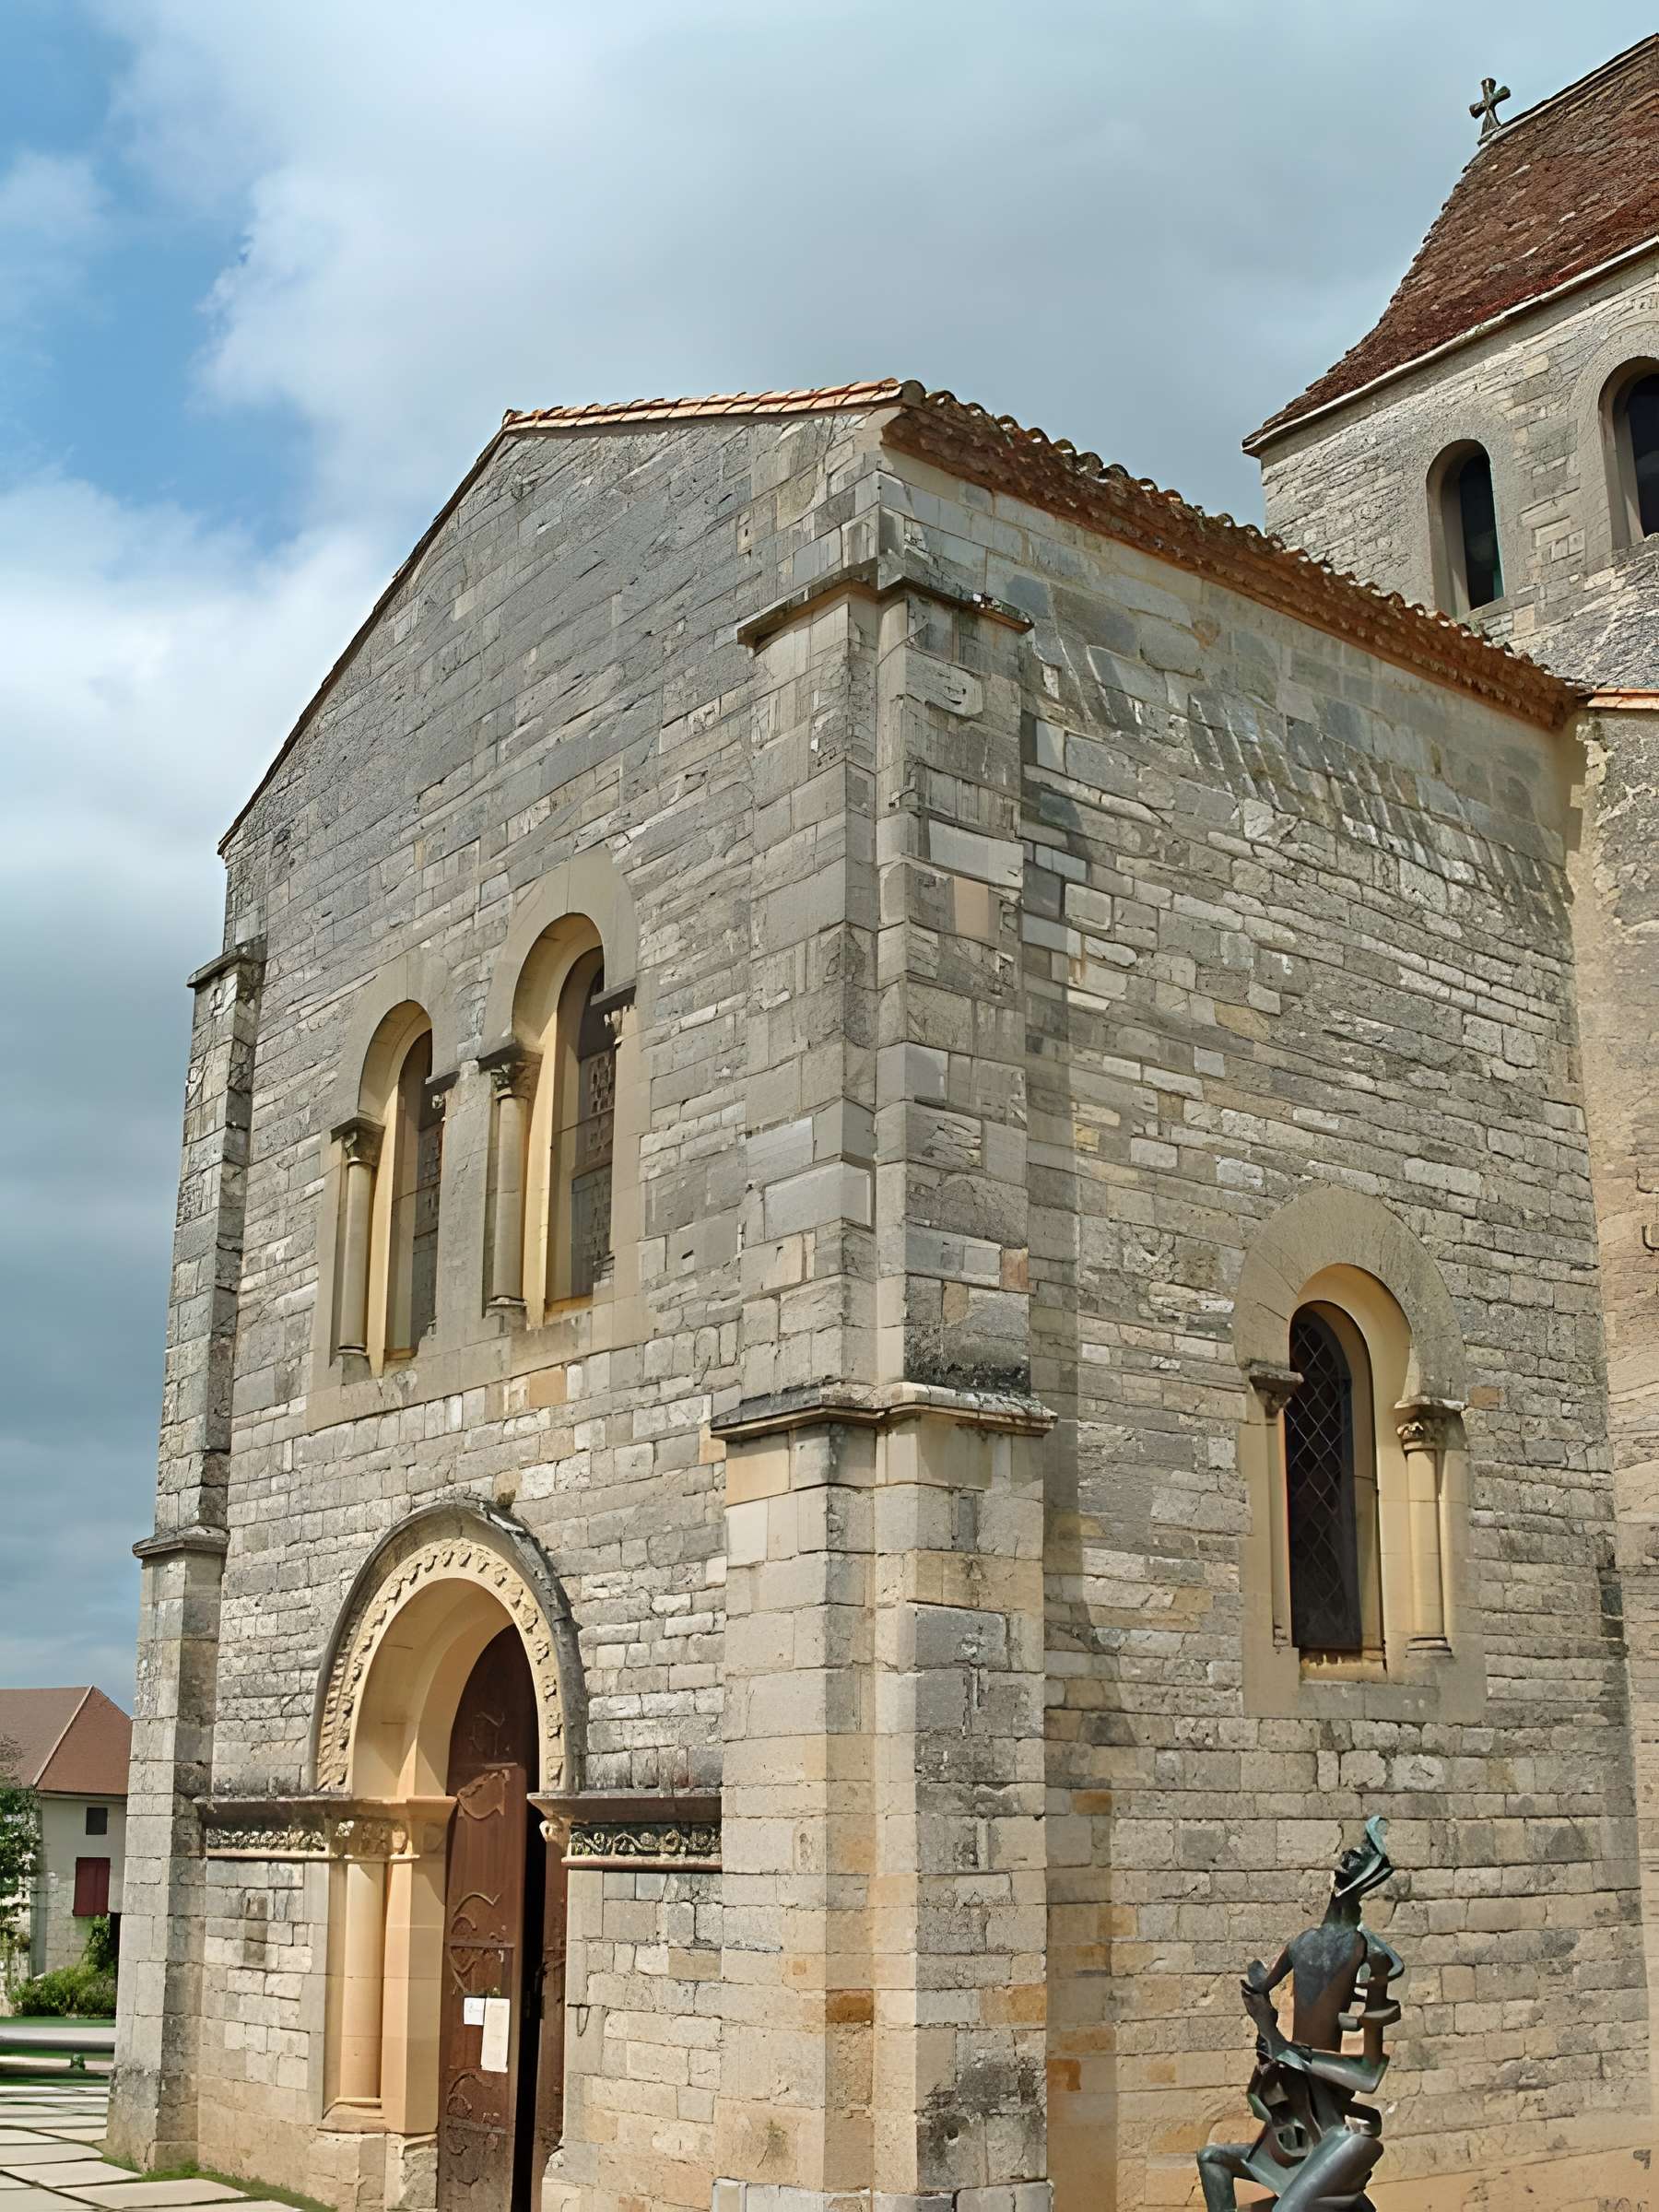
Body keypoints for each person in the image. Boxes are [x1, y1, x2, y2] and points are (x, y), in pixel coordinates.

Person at [1196, 1817, 1402, 2212]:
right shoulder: (1331, 1944)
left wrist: (1277, 2038)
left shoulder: (1339, 1947)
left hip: (1321, 2103)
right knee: (1214, 2160)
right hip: (1298, 2092)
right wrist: (1270, 2036)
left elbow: (1369, 2073)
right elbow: (1257, 1988)